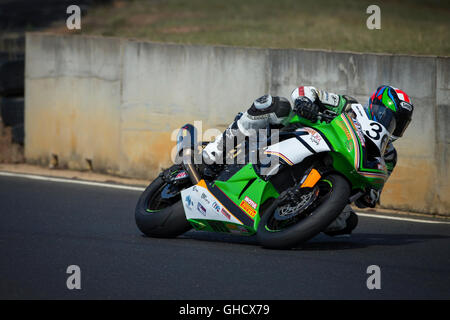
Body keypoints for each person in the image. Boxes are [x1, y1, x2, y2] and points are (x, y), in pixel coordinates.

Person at [202, 85, 414, 236]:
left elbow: (369, 197)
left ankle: (291, 216)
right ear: (374, 107)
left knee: (345, 222)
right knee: (274, 105)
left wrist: (369, 195)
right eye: (387, 115)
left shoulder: (388, 156)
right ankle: (216, 152)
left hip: (330, 176)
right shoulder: (349, 106)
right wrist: (305, 102)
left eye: (398, 122)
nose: (391, 124)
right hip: (289, 136)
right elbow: (305, 91)